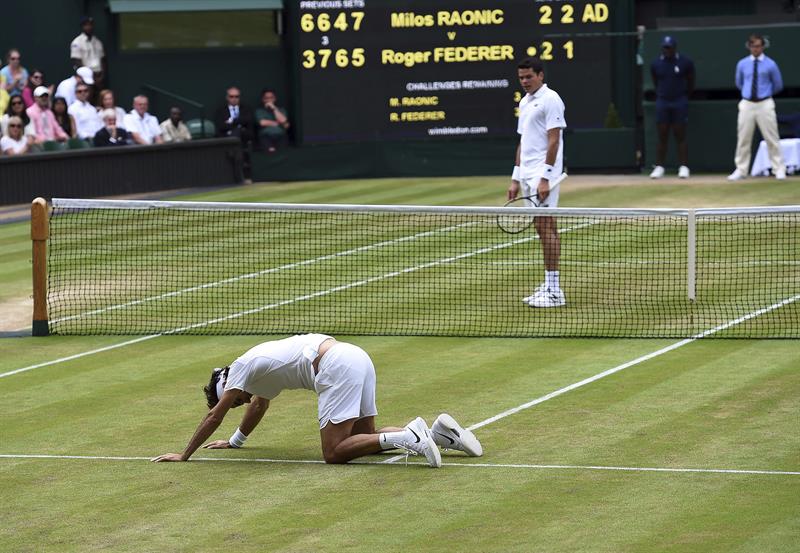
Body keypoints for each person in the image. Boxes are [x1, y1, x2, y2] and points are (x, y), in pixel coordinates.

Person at [151, 334, 483, 467]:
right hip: (356, 356)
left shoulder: (240, 370)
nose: (241, 400)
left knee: (334, 453)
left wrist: (184, 455)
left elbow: (214, 418)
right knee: (362, 441)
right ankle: (442, 435)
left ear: (226, 387)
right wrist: (236, 442)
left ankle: (410, 436)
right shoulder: (255, 373)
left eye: (234, 400)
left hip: (335, 367)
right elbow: (259, 405)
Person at [509, 58, 568, 308]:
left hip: (544, 176)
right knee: (542, 228)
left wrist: (545, 176)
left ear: (540, 75)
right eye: (521, 77)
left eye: (528, 77)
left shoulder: (551, 99)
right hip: (527, 176)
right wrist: (515, 177)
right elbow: (524, 142)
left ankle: (554, 291)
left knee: (546, 228)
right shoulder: (524, 102)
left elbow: (554, 140)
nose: (524, 81)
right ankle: (549, 284)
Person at [728, 34, 786, 181]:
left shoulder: (771, 64)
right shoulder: (742, 64)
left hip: (765, 103)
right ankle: (741, 170)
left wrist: (764, 94)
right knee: (743, 138)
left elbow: (778, 85)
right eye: (753, 46)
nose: (756, 48)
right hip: (747, 103)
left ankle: (779, 169)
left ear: (763, 46)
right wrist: (749, 95)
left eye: (758, 46)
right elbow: (739, 83)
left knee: (772, 138)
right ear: (749, 47)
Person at [649, 36, 694, 180]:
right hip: (663, 101)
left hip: (679, 101)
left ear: (675, 48)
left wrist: (683, 95)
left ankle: (684, 167)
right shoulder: (656, 63)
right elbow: (655, 81)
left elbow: (691, 82)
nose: (666, 50)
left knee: (680, 134)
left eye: (669, 47)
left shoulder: (685, 62)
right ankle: (659, 167)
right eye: (664, 47)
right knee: (662, 135)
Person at [214, 86, 254, 182]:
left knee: (238, 132)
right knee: (236, 132)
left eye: (237, 96)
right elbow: (221, 126)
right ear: (227, 97)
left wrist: (231, 121)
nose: (234, 99)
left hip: (244, 136)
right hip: (227, 137)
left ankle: (233, 154)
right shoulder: (221, 110)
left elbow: (248, 120)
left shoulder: (246, 108)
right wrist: (238, 123)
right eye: (231, 96)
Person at [70, 16, 106, 92]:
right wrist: (90, 75)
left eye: (90, 25)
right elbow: (77, 62)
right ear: (82, 26)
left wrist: (102, 76)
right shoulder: (77, 42)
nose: (89, 27)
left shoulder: (97, 42)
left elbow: (103, 60)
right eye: (86, 25)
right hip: (86, 77)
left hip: (99, 76)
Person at [255, 88, 290, 152]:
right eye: (266, 98)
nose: (269, 100)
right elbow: (262, 123)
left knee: (282, 152)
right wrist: (278, 123)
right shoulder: (259, 111)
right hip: (266, 136)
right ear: (263, 99)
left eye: (271, 97)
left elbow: (283, 121)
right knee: (271, 151)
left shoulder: (281, 110)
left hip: (281, 135)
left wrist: (274, 109)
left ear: (275, 99)